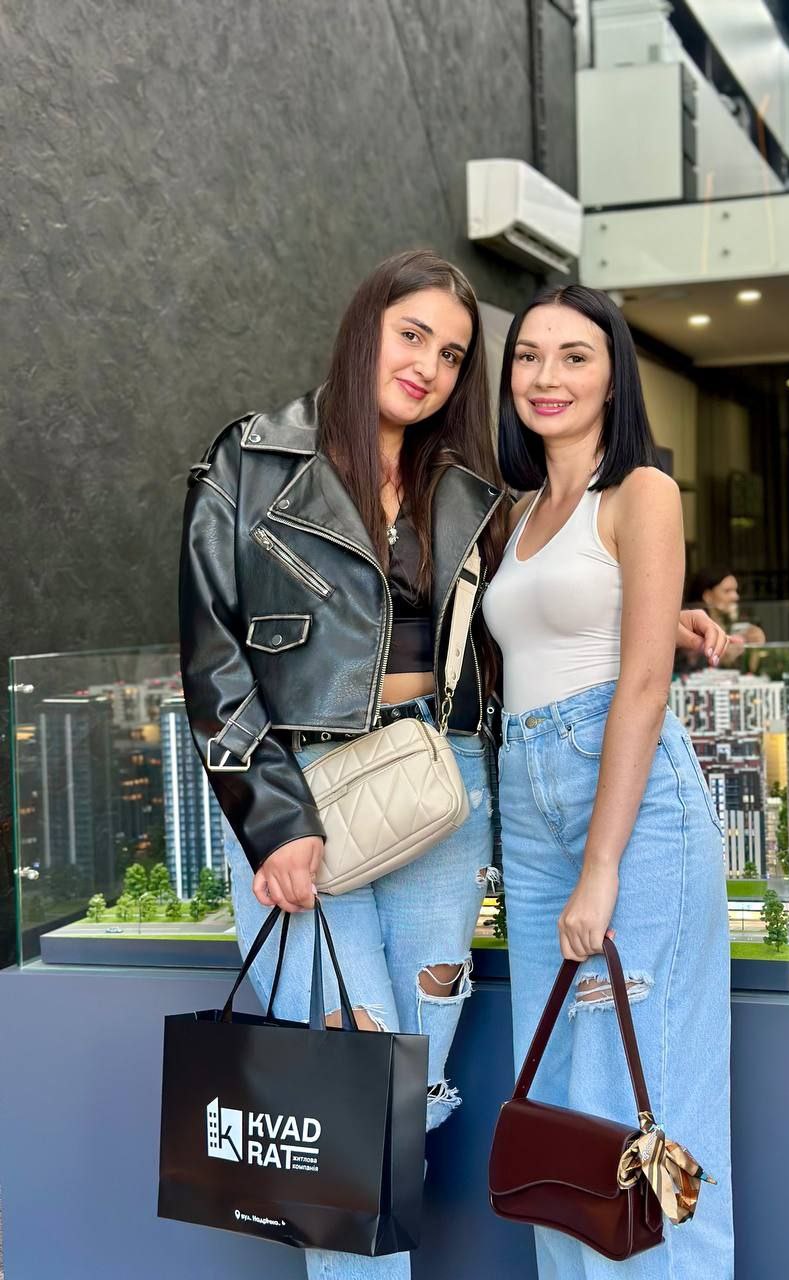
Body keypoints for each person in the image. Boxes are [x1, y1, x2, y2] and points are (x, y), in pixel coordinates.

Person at [181, 251, 728, 1279]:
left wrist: (664, 619)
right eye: (412, 336)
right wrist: (268, 814)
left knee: (408, 1090)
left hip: (444, 794)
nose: (428, 365)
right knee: (348, 1098)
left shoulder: (472, 492)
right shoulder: (252, 459)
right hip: (304, 795)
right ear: (365, 329)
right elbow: (212, 652)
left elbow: (534, 624)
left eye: (453, 353)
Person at [484, 284, 735, 1278]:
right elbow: (573, 619)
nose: (547, 376)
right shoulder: (517, 512)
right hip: (529, 804)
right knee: (557, 1107)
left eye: (575, 356)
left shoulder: (642, 491)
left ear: (614, 377)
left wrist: (602, 865)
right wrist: (662, 612)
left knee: (649, 1103)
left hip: (630, 811)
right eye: (529, 356)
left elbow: (640, 683)